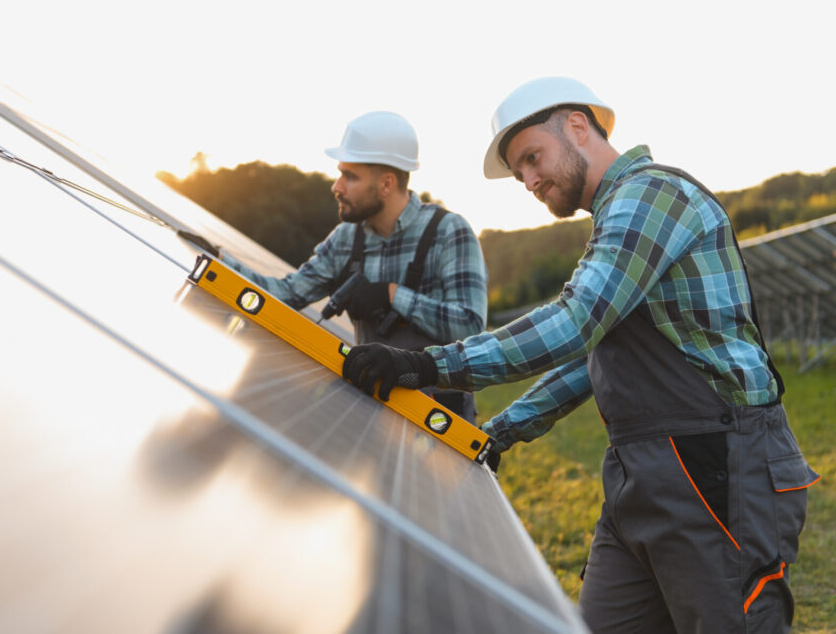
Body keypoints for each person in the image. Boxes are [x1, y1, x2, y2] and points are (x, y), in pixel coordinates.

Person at [341, 77, 819, 633]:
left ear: (576, 126)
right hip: (640, 474)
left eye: (532, 158)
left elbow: (575, 324)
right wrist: (501, 431)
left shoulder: (650, 196)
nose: (528, 179)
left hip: (717, 465)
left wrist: (425, 365)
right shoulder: (614, 224)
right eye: (520, 170)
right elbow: (594, 358)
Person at [185, 111, 487, 422]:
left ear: (386, 184)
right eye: (340, 173)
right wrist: (219, 263)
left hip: (441, 420)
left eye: (350, 176)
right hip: (375, 407)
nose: (337, 187)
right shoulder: (346, 238)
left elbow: (471, 327)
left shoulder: (449, 231)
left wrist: (393, 295)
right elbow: (287, 294)